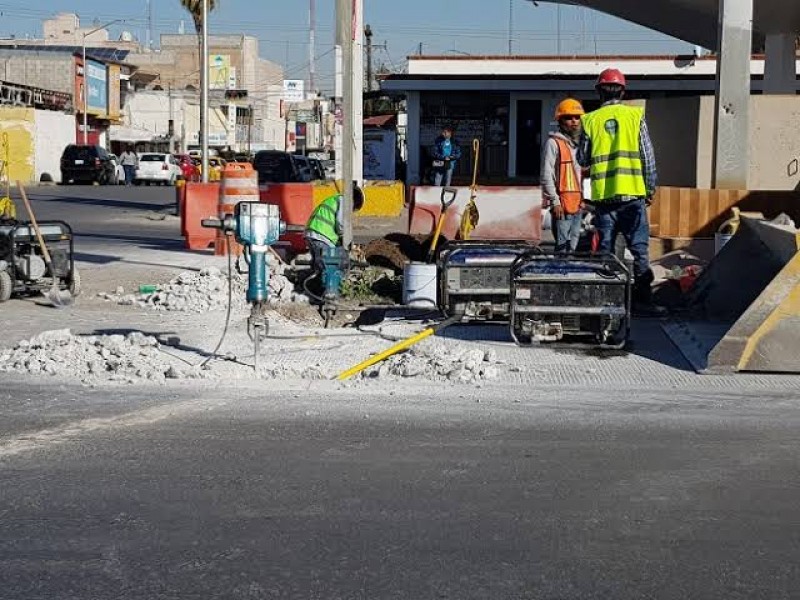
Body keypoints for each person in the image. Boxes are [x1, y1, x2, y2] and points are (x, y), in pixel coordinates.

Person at [578, 68, 665, 316]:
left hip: (605, 199)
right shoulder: (635, 117)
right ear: (623, 90)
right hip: (632, 198)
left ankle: (608, 301)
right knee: (639, 250)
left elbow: (583, 158)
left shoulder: (590, 120)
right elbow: (648, 157)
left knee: (606, 250)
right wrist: (649, 188)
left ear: (598, 92)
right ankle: (643, 303)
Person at [541, 98, 585, 254]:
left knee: (572, 248)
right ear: (560, 120)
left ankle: (569, 274)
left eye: (577, 117)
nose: (574, 121)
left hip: (577, 204)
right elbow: (546, 175)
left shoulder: (578, 145)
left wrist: (583, 199)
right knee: (562, 248)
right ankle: (560, 275)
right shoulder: (553, 143)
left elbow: (578, 175)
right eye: (568, 117)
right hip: (562, 205)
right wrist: (555, 202)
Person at [304, 183, 365, 273]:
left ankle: (311, 285)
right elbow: (341, 224)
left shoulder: (335, 199)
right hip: (321, 236)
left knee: (319, 268)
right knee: (330, 269)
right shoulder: (344, 201)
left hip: (313, 234)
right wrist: (346, 239)